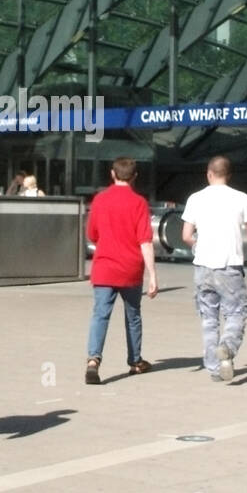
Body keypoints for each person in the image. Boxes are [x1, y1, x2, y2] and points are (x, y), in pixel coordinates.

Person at [181, 156, 247, 382]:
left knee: (208, 319)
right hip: (229, 266)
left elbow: (186, 236)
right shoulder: (241, 198)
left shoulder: (195, 198)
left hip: (202, 267)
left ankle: (215, 369)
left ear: (209, 173)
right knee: (237, 312)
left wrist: (198, 245)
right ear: (229, 175)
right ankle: (227, 346)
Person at [83, 157, 158, 384]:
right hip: (130, 269)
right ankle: (135, 362)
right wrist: (153, 274)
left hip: (104, 267)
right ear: (134, 177)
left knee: (100, 314)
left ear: (112, 174)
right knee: (133, 316)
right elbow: (145, 241)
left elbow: (91, 234)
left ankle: (93, 360)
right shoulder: (139, 203)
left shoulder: (100, 199)